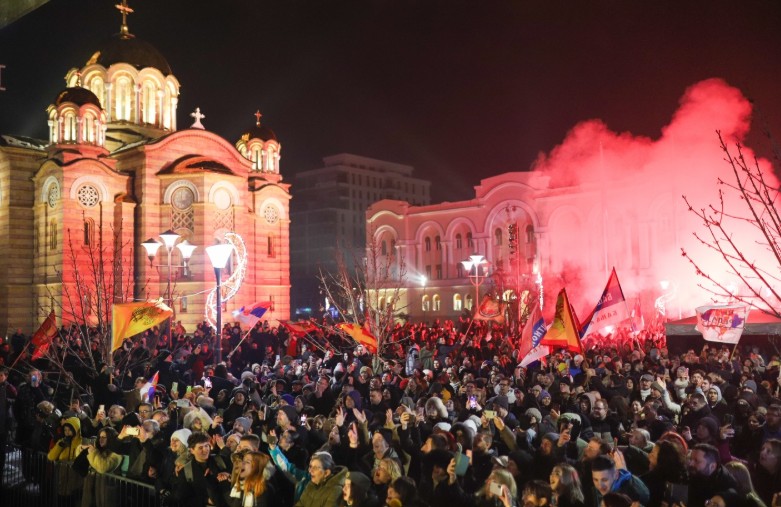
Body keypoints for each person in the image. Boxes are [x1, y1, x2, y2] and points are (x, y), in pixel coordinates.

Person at [81, 427, 123, 507]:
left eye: (104, 437)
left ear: (111, 438)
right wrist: (81, 449)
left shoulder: (116, 454)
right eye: (100, 437)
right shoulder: (98, 450)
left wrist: (93, 452)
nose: (101, 439)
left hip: (105, 489)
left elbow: (103, 467)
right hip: (92, 487)